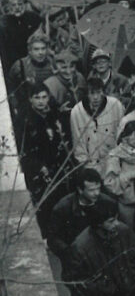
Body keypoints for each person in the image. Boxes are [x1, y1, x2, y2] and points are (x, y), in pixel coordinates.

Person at [66, 195, 135, 296]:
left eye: (116, 219)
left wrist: (131, 280)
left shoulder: (124, 232)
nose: (116, 224)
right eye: (111, 221)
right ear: (98, 224)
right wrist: (106, 288)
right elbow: (75, 282)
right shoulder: (80, 247)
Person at [19, 82, 71, 235]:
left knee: (61, 203)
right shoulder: (25, 121)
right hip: (38, 171)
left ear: (49, 97)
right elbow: (24, 151)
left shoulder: (53, 115)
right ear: (30, 99)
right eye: (37, 98)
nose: (41, 101)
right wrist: (39, 167)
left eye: (44, 97)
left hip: (57, 168)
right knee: (44, 206)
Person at [47, 167, 114, 262]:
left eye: (98, 188)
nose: (97, 193)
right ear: (80, 190)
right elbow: (53, 239)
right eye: (91, 190)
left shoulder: (108, 203)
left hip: (100, 257)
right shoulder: (62, 208)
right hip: (75, 259)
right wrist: (70, 253)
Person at [70, 77, 125, 173]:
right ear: (87, 94)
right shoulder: (76, 112)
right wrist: (86, 169)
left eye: (99, 92)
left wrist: (117, 160)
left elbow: (122, 136)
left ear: (104, 92)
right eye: (92, 93)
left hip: (114, 163)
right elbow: (78, 146)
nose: (95, 97)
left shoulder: (115, 105)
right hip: (90, 166)